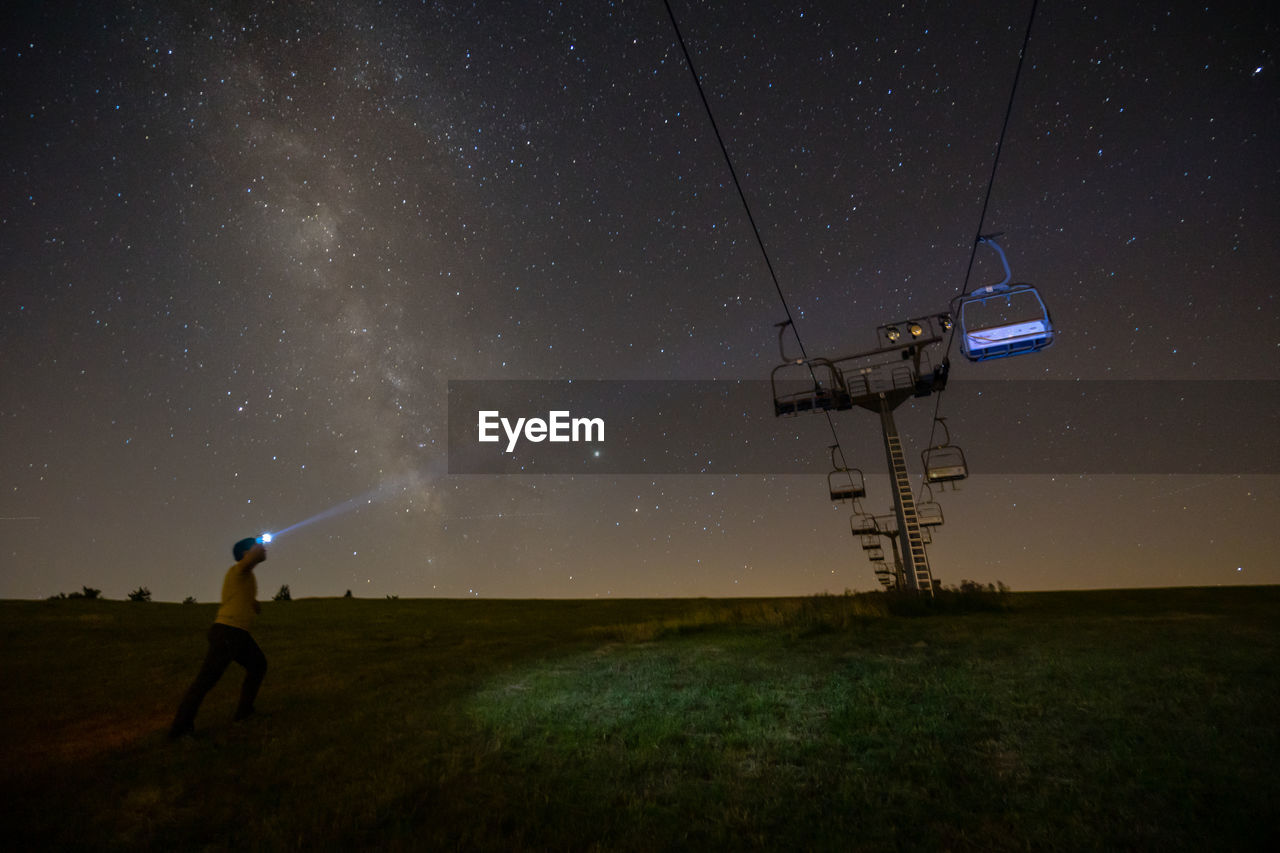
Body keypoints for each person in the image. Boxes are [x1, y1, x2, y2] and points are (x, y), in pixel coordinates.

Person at [169, 537, 269, 738]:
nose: (262, 549)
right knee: (206, 680)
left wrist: (253, 603)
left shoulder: (246, 576)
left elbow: (242, 594)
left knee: (258, 665)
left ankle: (244, 712)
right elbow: (250, 561)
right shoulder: (239, 569)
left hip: (238, 633)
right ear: (244, 554)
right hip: (227, 632)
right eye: (253, 548)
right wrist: (258, 549)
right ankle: (180, 729)